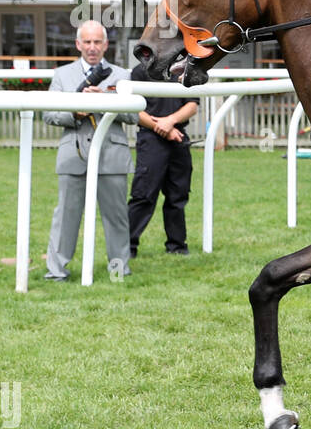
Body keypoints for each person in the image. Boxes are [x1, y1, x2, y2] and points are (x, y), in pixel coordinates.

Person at [42, 21, 137, 281]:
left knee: (116, 217)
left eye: (97, 42)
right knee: (65, 216)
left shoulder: (122, 75)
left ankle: (119, 270)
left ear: (106, 45)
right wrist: (74, 111)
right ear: (78, 44)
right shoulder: (62, 75)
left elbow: (134, 115)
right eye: (87, 42)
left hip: (112, 156)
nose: (92, 48)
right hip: (73, 155)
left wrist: (105, 102)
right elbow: (48, 113)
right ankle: (56, 272)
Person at [127, 63, 198, 258]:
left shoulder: (185, 69)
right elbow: (134, 109)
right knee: (144, 195)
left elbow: (192, 105)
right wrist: (163, 128)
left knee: (178, 195)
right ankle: (127, 246)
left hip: (178, 136)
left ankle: (177, 246)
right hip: (150, 138)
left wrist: (170, 122)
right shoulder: (140, 71)